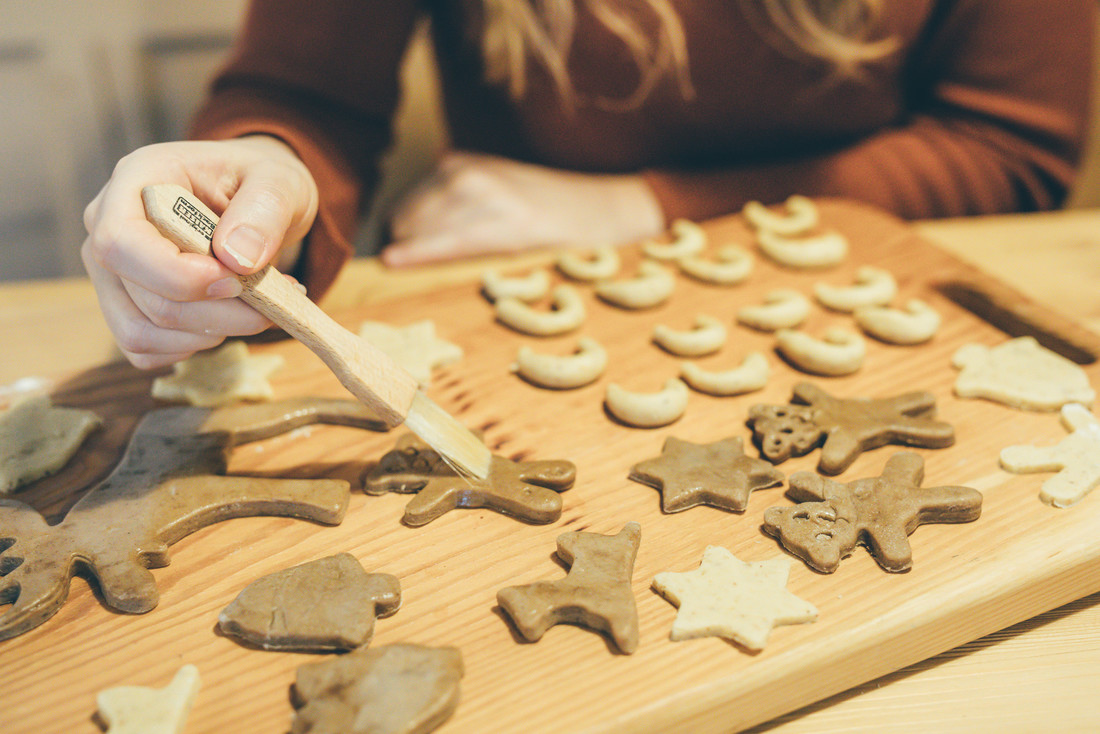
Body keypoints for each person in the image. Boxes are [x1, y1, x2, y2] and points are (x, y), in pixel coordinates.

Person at [81, 0, 1095, 369]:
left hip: (883, 321)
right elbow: (303, 93)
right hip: (510, 313)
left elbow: (1003, 152)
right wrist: (268, 164)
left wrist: (640, 206)